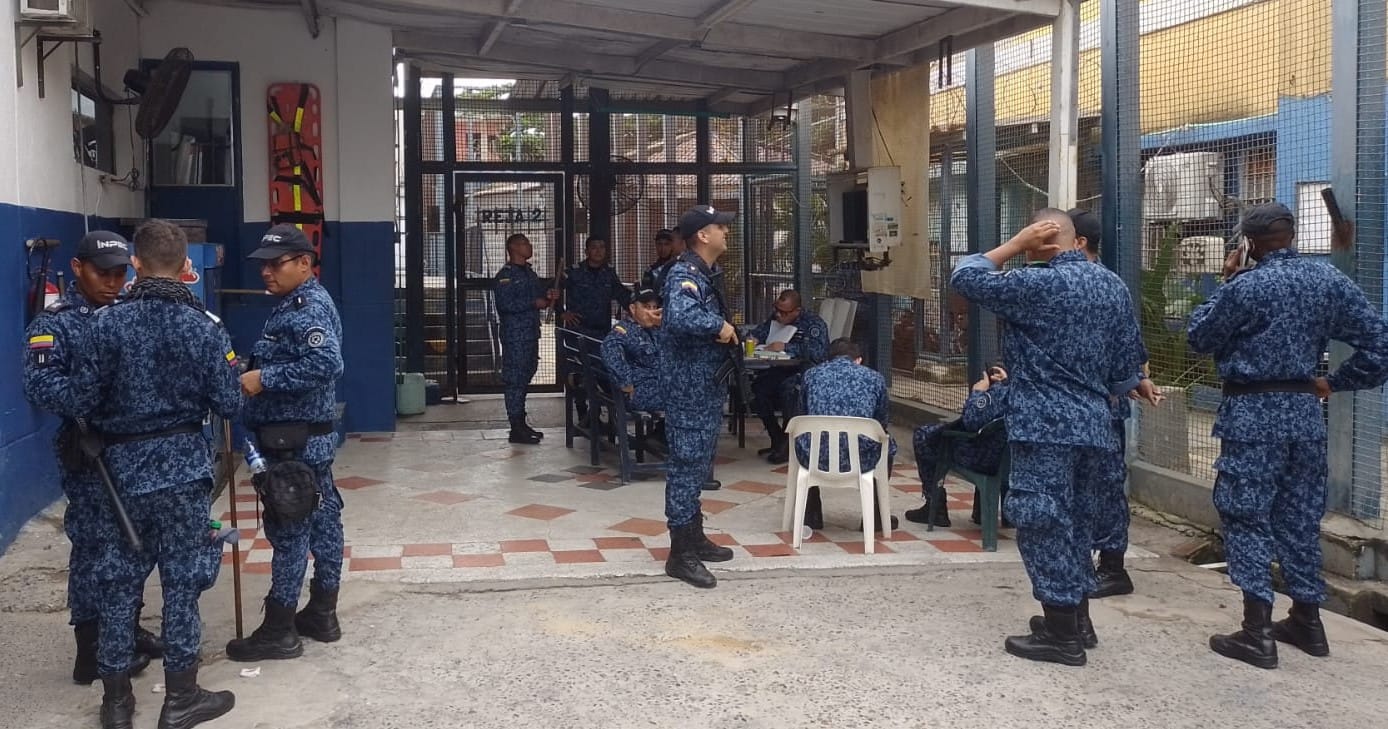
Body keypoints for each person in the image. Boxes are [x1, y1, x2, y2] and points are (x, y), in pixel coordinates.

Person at [950, 208, 1155, 667]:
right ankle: (1078, 620)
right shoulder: (1112, 285)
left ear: (1044, 239)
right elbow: (1127, 366)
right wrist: (1131, 385)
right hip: (1095, 427)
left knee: (1042, 522)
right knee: (1077, 524)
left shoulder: (1038, 285)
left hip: (1044, 427)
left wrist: (1015, 245)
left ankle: (1062, 635)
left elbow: (964, 275)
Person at [1187, 202, 1388, 669]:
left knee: (1247, 515)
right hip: (1303, 414)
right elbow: (1380, 344)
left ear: (1249, 243)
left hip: (1252, 415)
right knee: (1299, 516)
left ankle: (1256, 633)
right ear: (1292, 236)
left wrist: (1228, 278)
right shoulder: (1328, 281)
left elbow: (1200, 336)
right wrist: (1334, 382)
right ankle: (1307, 620)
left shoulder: (1247, 286)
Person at [69, 219, 241, 729]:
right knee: (181, 585)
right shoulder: (205, 327)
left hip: (119, 477)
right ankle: (181, 698)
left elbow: (80, 399)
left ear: (136, 264)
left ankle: (117, 703)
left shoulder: (103, 325)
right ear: (185, 266)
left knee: (119, 586)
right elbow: (230, 401)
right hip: (184, 474)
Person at [23, 231, 161, 684]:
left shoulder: (127, 313)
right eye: (104, 273)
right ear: (79, 268)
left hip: (134, 453)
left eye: (122, 273)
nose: (114, 282)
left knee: (133, 545)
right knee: (94, 548)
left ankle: (126, 628)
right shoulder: (55, 323)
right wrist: (98, 399)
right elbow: (41, 388)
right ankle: (91, 647)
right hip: (91, 453)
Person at [224, 224, 347, 663]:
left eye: (276, 264)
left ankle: (279, 629)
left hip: (293, 443)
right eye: (263, 265)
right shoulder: (292, 304)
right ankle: (322, 612)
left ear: (304, 263)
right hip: (302, 439)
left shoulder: (305, 306)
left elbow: (327, 363)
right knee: (323, 521)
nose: (266, 273)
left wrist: (264, 379)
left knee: (291, 529)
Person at [1070, 207, 1155, 598]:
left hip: (1096, 406)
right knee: (1090, 487)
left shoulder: (1100, 284)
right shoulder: (1104, 284)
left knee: (1103, 486)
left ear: (1080, 241)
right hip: (1091, 406)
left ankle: (1112, 566)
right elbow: (1132, 349)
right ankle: (1087, 562)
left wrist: (1133, 380)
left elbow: (1131, 349)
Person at [659, 205, 740, 588]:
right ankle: (680, 554)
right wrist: (720, 325)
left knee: (698, 464)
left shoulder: (705, 275)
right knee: (687, 464)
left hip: (704, 386)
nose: (726, 231)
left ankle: (694, 537)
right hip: (688, 389)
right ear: (702, 236)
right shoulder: (684, 275)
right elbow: (679, 316)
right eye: (720, 226)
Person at [793, 338, 899, 533]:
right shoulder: (875, 378)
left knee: (804, 437)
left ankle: (811, 512)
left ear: (828, 359)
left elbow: (802, 414)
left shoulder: (811, 375)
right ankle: (875, 513)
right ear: (858, 360)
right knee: (888, 444)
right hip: (861, 460)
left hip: (816, 458)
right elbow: (881, 421)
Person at [906, 364, 1011, 529]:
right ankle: (999, 514)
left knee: (924, 435)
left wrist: (978, 392)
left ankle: (935, 505)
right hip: (1011, 461)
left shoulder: (997, 394)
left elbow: (971, 421)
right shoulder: (1029, 392)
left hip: (983, 459)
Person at [746, 289, 829, 464]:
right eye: (777, 309)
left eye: (784, 312)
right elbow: (757, 333)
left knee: (789, 390)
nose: (779, 314)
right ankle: (777, 437)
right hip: (779, 368)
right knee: (757, 390)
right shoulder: (775, 319)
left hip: (804, 371)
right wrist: (752, 339)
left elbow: (818, 352)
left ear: (797, 310)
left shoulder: (813, 324)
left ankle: (787, 443)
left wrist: (786, 347)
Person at [493, 233, 558, 444]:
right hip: (515, 336)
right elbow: (505, 305)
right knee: (515, 380)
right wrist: (533, 303)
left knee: (527, 373)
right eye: (525, 243)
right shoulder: (506, 276)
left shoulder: (529, 273)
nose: (529, 246)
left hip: (530, 333)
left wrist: (549, 296)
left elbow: (539, 294)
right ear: (514, 247)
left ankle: (521, 423)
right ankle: (516, 425)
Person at [601, 287, 665, 414]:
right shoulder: (623, 331)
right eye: (647, 307)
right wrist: (626, 384)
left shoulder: (657, 330)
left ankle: (661, 433)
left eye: (655, 307)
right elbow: (609, 351)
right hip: (641, 391)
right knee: (687, 398)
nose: (652, 312)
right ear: (633, 309)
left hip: (661, 386)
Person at [559, 237, 631, 340]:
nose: (598, 251)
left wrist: (636, 307)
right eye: (594, 247)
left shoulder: (609, 272)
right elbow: (553, 291)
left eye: (602, 247)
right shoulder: (574, 272)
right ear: (586, 251)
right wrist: (562, 312)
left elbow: (621, 294)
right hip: (577, 331)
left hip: (602, 331)